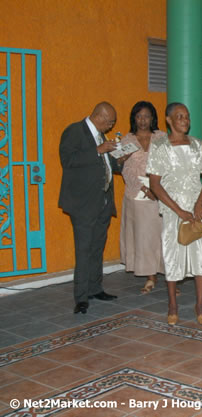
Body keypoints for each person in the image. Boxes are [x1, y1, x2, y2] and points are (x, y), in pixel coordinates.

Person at [146, 103, 202, 326]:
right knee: (172, 255)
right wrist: (178, 210)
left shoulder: (197, 145)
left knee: (199, 257)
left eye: (187, 116)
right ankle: (172, 305)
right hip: (172, 210)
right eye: (179, 116)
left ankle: (200, 304)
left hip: (195, 211)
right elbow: (155, 184)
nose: (185, 120)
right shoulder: (159, 147)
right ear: (168, 120)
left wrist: (199, 203)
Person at [59, 102, 120, 314]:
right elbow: (67, 160)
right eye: (110, 122)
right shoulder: (75, 131)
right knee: (83, 250)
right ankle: (81, 297)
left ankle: (95, 288)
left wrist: (121, 158)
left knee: (96, 248)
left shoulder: (100, 136)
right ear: (100, 117)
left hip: (102, 202)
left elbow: (105, 165)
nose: (111, 126)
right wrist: (98, 150)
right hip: (83, 204)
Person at [119, 101, 166, 294]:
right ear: (134, 119)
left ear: (153, 118)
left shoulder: (162, 137)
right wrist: (143, 186)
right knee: (144, 237)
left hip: (160, 194)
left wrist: (155, 187)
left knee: (162, 236)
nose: (143, 120)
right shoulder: (127, 139)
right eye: (139, 116)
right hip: (137, 195)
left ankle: (169, 275)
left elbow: (169, 164)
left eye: (146, 116)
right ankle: (150, 277)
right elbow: (125, 169)